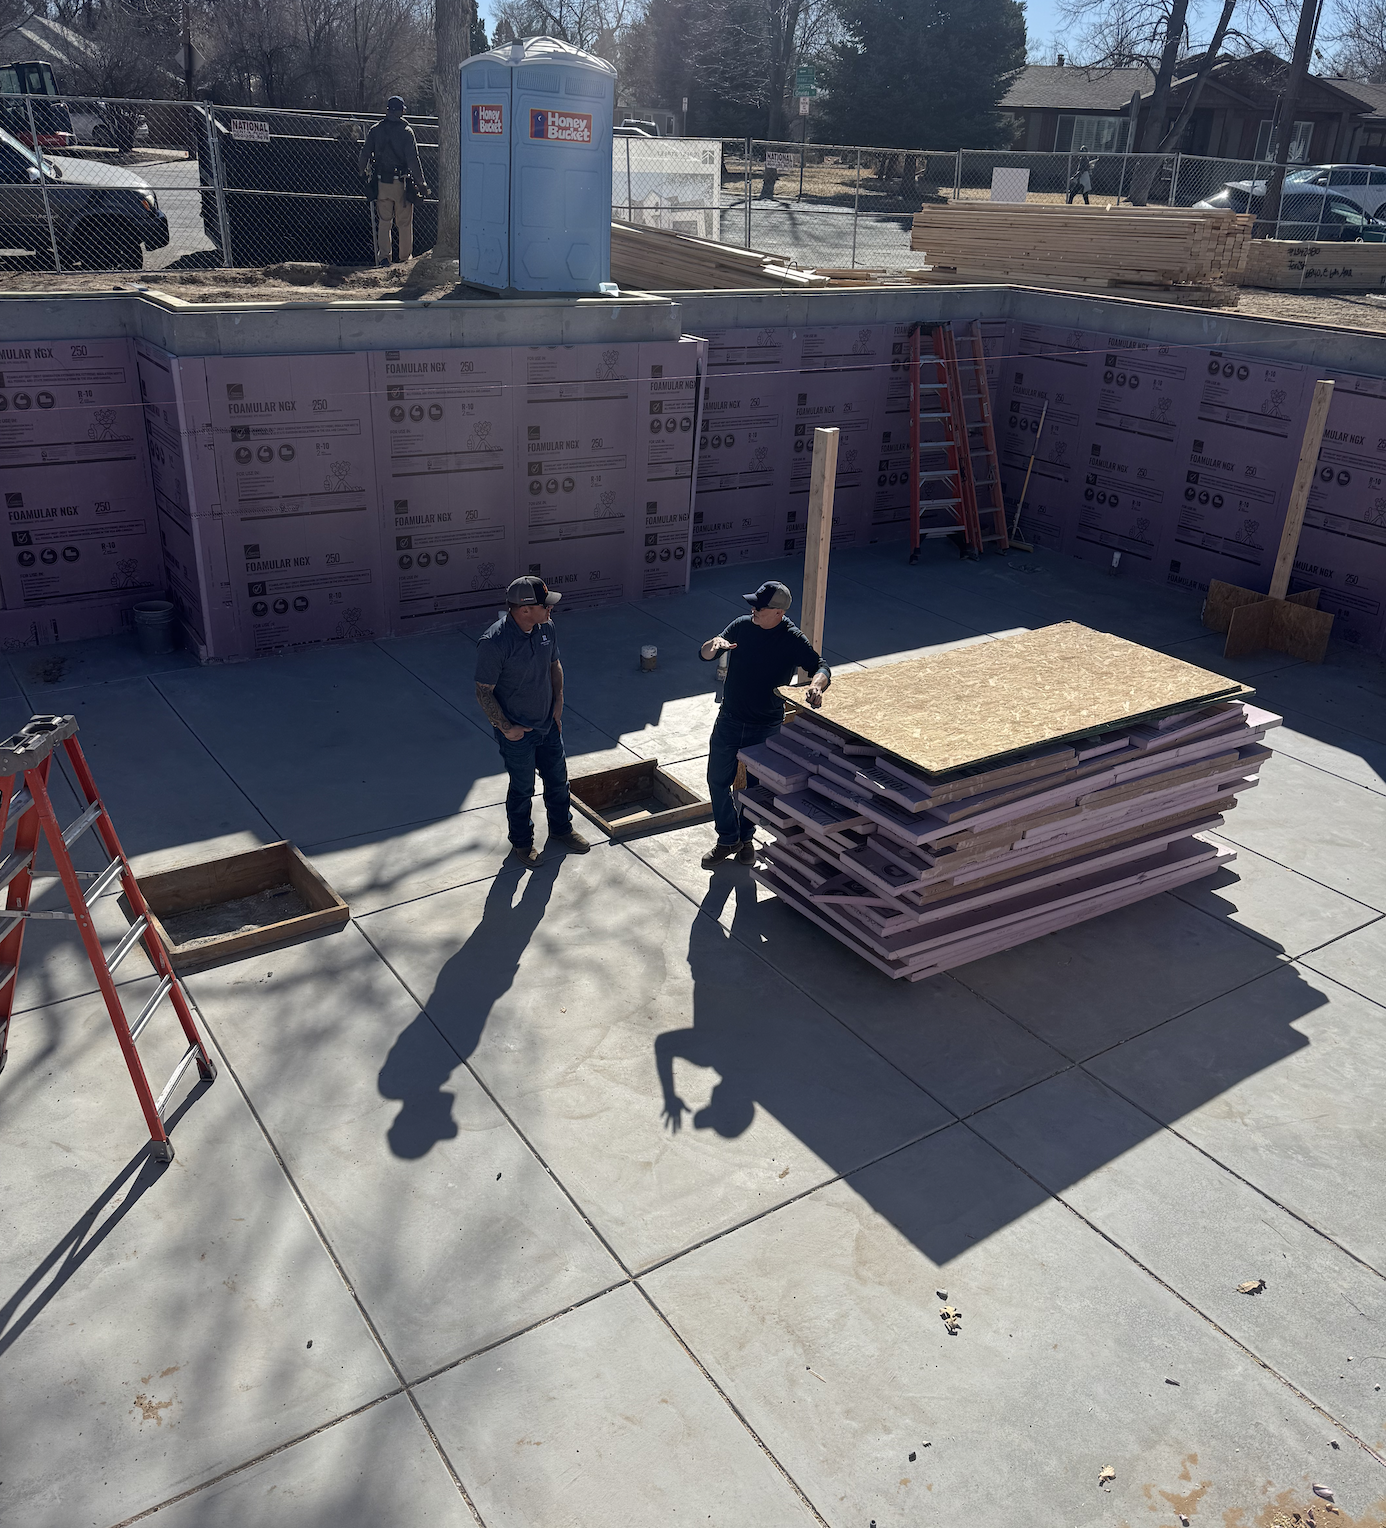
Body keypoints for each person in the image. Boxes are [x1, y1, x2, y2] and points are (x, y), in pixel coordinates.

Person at [698, 580, 830, 869]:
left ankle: (745, 839)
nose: (753, 609)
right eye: (753, 604)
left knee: (755, 789)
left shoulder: (792, 639)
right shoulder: (743, 626)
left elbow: (821, 666)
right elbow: (707, 653)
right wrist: (713, 645)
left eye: (760, 606)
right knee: (717, 781)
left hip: (765, 726)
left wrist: (817, 687)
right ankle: (727, 838)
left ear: (779, 613)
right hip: (730, 719)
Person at [475, 576, 591, 866]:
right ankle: (522, 844)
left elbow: (554, 664)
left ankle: (562, 829)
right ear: (524, 610)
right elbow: (483, 691)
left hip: (547, 725)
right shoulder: (494, 643)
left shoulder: (546, 627)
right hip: (518, 733)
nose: (551, 609)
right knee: (523, 789)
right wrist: (506, 728)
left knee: (558, 781)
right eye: (545, 605)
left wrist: (558, 702)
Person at [359, 96, 429, 265]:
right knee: (404, 223)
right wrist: (422, 184)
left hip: (381, 181)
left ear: (387, 110)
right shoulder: (406, 131)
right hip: (401, 183)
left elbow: (364, 153)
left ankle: (384, 257)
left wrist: (362, 174)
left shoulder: (376, 130)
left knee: (384, 221)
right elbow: (413, 160)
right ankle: (405, 260)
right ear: (402, 111)